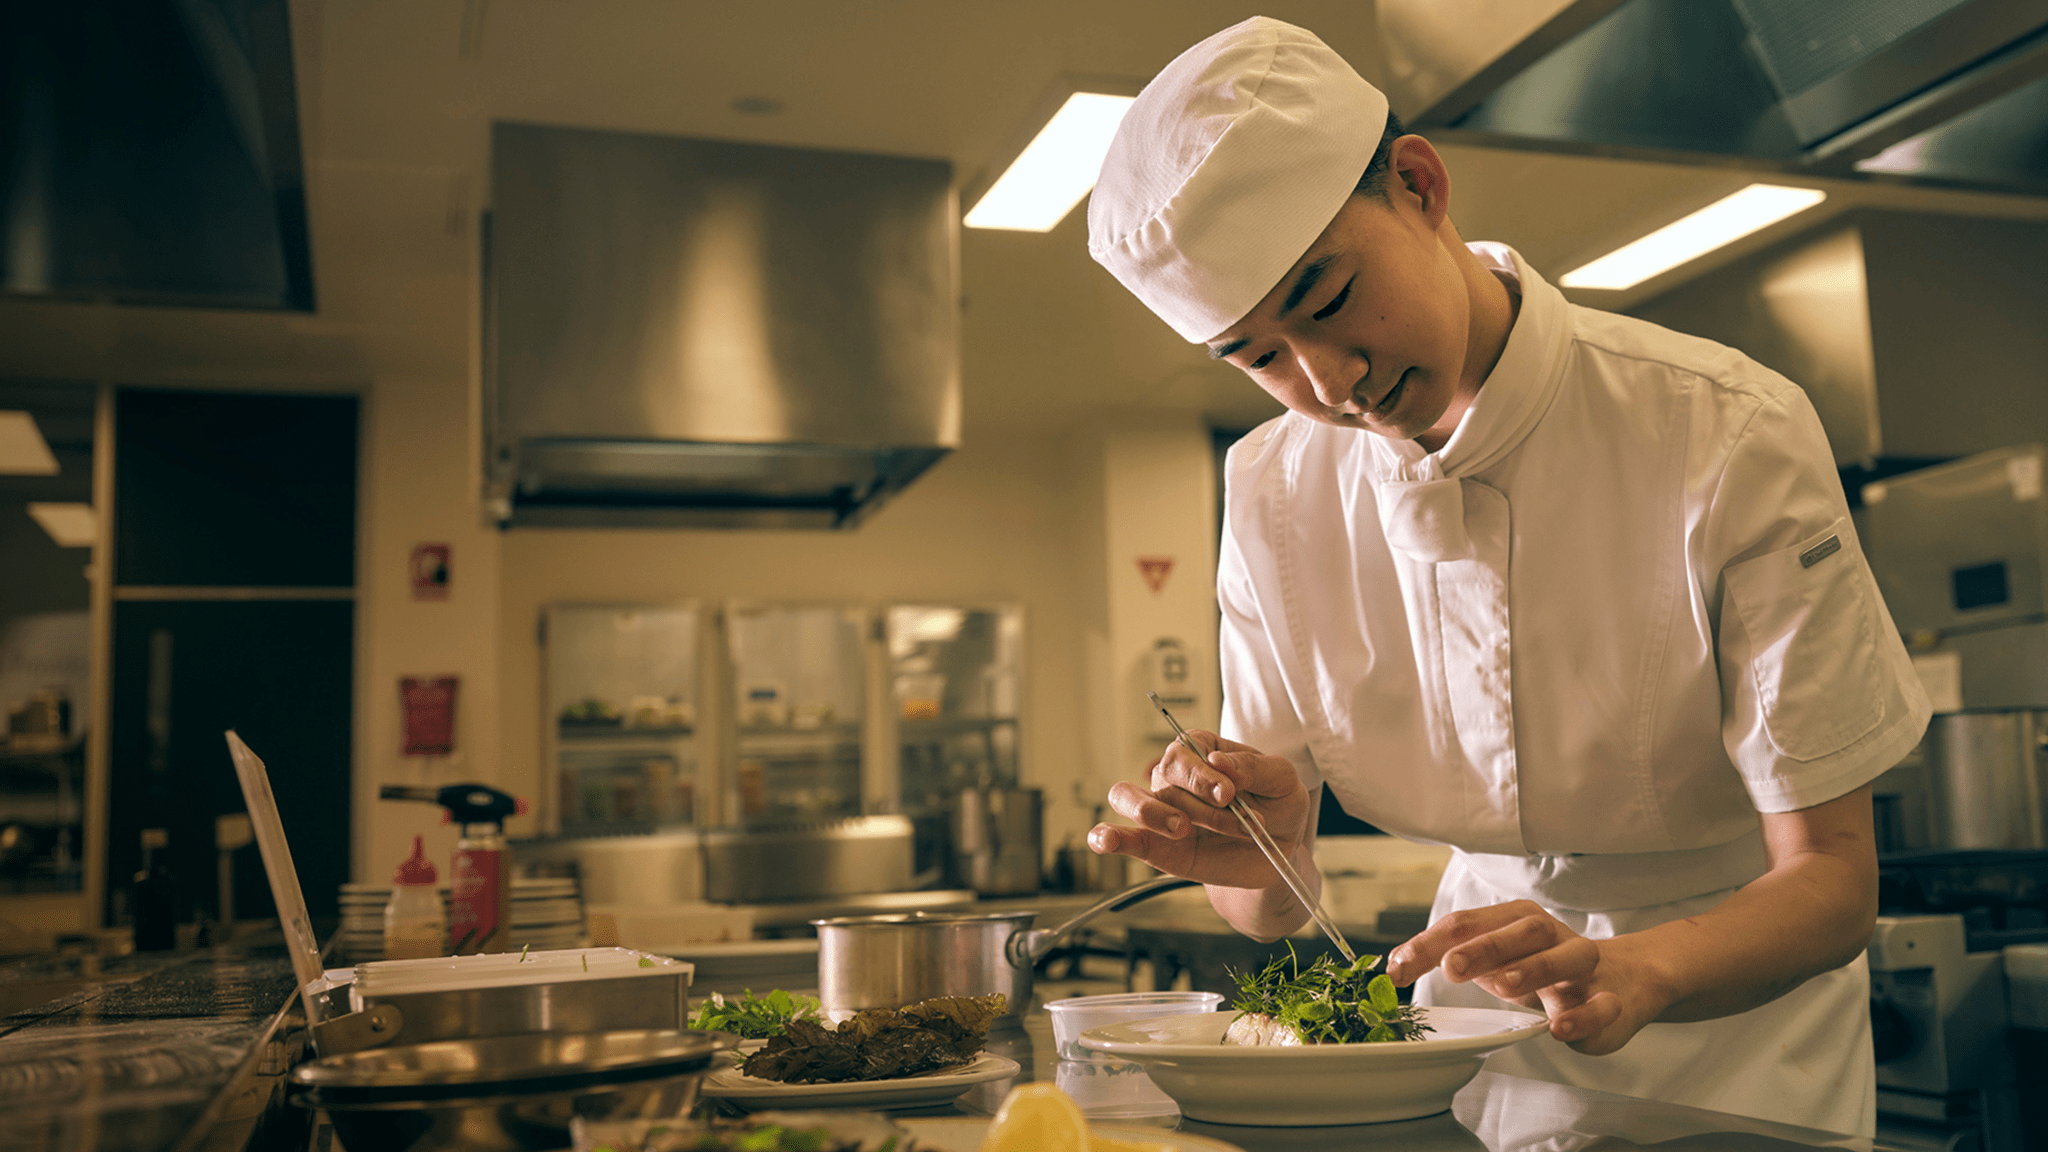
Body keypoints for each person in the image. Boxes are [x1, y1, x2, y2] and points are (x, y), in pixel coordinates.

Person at [1081, 16, 1930, 1136]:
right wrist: (1262, 851)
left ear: (1419, 185)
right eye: (1256, 357)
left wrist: (1636, 971)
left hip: (1737, 1049)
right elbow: (1260, 908)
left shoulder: (1722, 430)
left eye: (1327, 299)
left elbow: (1829, 880)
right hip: (1461, 1050)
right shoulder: (1272, 490)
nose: (1326, 381)